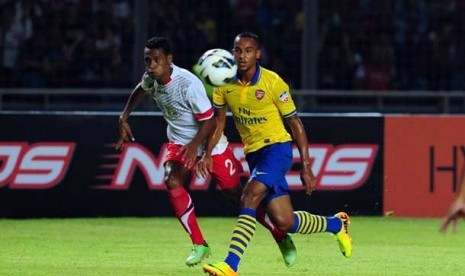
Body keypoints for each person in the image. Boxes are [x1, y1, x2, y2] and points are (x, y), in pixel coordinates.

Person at [116, 36, 297, 267]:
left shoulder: (189, 85)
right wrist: (124, 116)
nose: (151, 65)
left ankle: (280, 235)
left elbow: (210, 122)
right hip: (180, 142)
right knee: (172, 180)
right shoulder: (151, 77)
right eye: (147, 60)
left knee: (240, 199)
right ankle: (199, 244)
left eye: (156, 60)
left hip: (211, 143)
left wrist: (197, 148)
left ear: (169, 60)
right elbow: (141, 89)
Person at [201, 32, 353, 276]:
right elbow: (219, 124)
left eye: (248, 50)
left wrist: (305, 164)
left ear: (258, 54)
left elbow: (295, 124)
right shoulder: (223, 84)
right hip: (254, 155)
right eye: (238, 50)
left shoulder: (273, 82)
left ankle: (231, 264)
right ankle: (337, 223)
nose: (242, 56)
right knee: (285, 222)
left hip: (277, 149)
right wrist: (208, 153)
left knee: (249, 196)